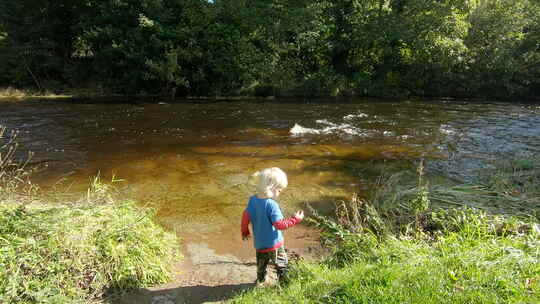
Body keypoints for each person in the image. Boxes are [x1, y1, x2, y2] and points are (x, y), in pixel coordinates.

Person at [240, 167, 304, 286]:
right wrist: (295, 219)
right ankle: (284, 283)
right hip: (275, 245)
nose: (279, 193)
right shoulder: (272, 205)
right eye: (279, 190)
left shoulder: (252, 200)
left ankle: (261, 282)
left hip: (259, 244)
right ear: (271, 187)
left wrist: (245, 232)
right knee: (281, 264)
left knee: (261, 266)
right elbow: (279, 225)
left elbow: (245, 217)